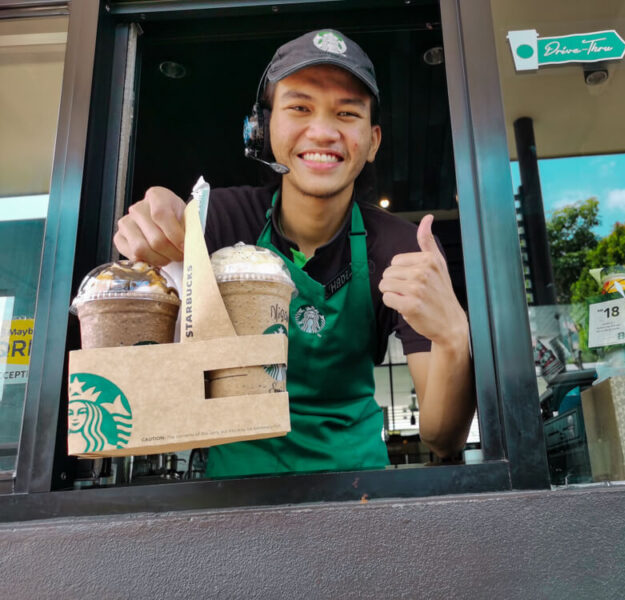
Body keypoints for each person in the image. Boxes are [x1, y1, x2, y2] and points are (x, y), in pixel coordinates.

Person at [113, 28, 475, 477]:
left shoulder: (401, 247)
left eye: (346, 113)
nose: (322, 132)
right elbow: (144, 388)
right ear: (263, 129)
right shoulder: (219, 221)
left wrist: (455, 338)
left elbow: (443, 438)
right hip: (233, 497)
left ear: (374, 141)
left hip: (360, 494)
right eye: (300, 108)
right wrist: (150, 243)